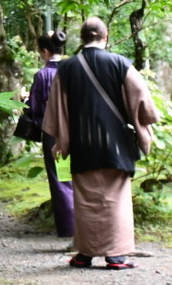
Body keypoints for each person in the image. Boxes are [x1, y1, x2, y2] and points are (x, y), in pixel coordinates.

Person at [41, 17, 159, 271]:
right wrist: (144, 129)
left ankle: (84, 253)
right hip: (116, 146)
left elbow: (57, 109)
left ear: (82, 39)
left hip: (83, 144)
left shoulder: (68, 68)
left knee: (86, 202)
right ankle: (116, 256)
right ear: (106, 37)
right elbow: (141, 101)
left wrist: (62, 140)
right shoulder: (120, 64)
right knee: (116, 200)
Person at [22, 29, 74, 239]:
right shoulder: (73, 70)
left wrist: (24, 100)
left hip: (54, 133)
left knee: (61, 178)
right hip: (78, 131)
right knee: (77, 176)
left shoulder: (43, 75)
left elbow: (34, 110)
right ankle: (85, 225)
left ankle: (69, 228)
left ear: (44, 52)